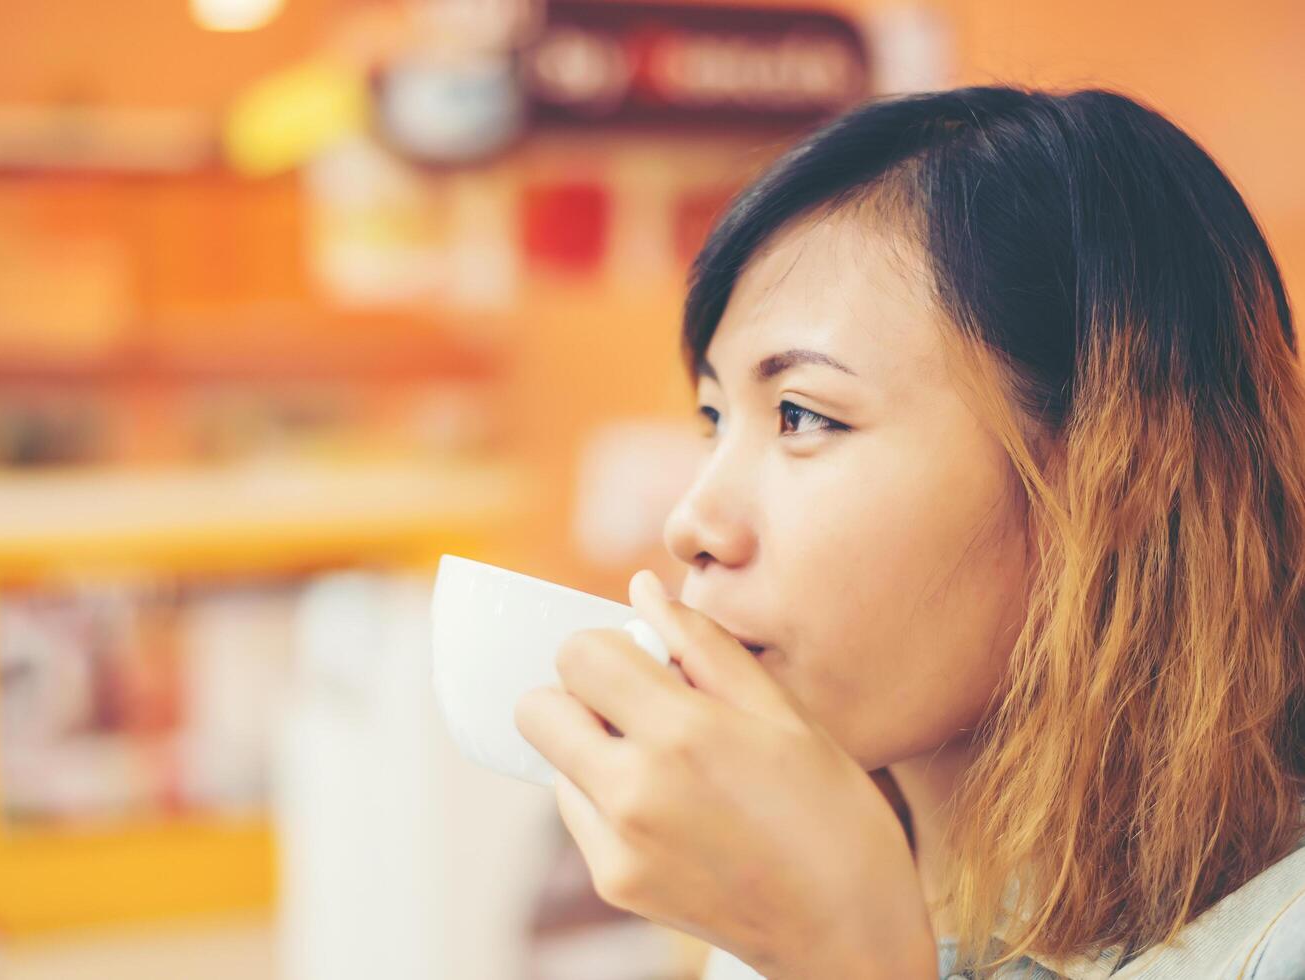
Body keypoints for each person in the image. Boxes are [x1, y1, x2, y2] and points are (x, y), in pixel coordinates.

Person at [514, 86, 1305, 979]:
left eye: (802, 414)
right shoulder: (757, 929)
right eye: (712, 420)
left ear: (1116, 471)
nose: (692, 523)